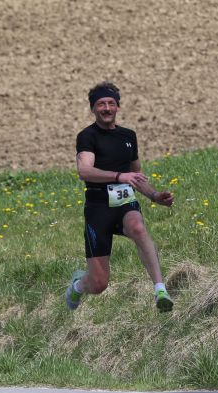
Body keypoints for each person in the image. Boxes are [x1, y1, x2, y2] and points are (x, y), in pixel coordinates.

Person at [65, 81, 175, 313]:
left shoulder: (128, 136)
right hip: (98, 209)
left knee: (137, 226)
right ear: (93, 109)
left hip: (124, 202)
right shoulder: (87, 137)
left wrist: (155, 196)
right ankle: (78, 285)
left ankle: (160, 289)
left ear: (118, 107)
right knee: (99, 284)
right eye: (101, 104)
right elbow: (84, 171)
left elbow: (136, 177)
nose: (106, 108)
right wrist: (118, 175)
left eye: (111, 103)